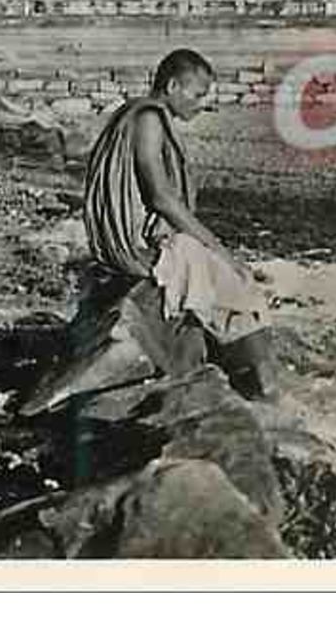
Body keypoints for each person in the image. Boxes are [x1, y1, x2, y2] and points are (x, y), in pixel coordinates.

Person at [82, 48, 280, 400]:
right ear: (173, 86)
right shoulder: (148, 118)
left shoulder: (141, 116)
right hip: (134, 249)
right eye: (198, 94)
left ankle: (247, 378)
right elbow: (160, 197)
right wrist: (217, 247)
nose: (202, 104)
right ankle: (264, 387)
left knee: (221, 279)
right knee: (236, 283)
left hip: (132, 243)